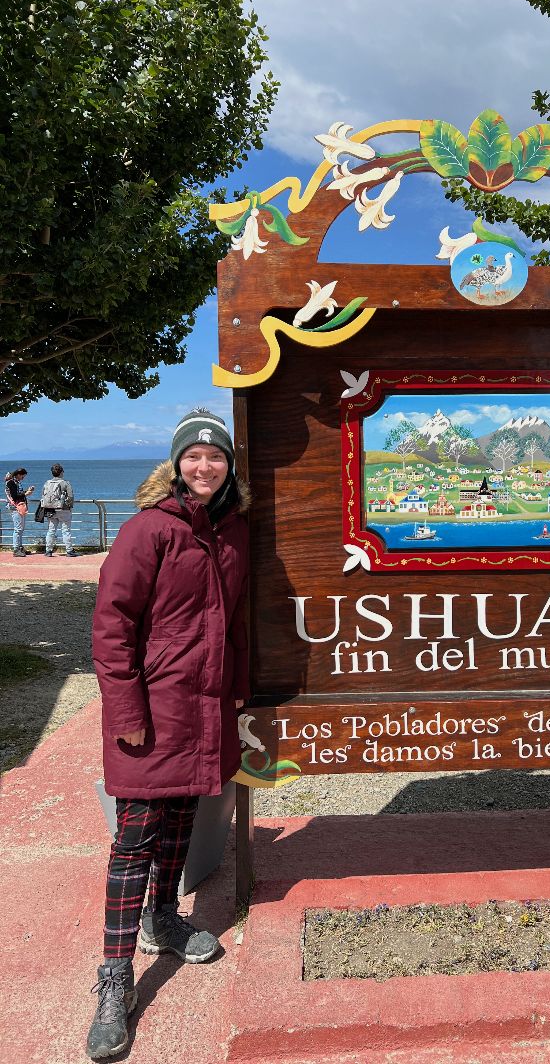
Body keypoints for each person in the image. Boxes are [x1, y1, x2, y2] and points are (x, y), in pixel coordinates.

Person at [86, 409, 250, 1060]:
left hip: (206, 705)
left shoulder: (236, 533)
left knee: (182, 817)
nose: (205, 466)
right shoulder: (147, 530)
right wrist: (126, 712)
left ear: (228, 466)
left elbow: (234, 622)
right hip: (152, 709)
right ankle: (115, 976)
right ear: (177, 463)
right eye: (194, 456)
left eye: (216, 457)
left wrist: (237, 684)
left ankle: (165, 918)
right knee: (134, 838)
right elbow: (110, 626)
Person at [40, 463, 78, 557]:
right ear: (61, 472)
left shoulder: (47, 483)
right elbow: (70, 497)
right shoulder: (65, 483)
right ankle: (69, 550)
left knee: (51, 530)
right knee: (66, 530)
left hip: (50, 509)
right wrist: (69, 506)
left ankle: (48, 550)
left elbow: (43, 495)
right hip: (63, 509)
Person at [4, 466, 35, 557]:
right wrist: (26, 493)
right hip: (15, 507)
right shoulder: (10, 482)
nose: (23, 478)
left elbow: (18, 493)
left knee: (21, 529)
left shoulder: (16, 482)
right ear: (18, 475)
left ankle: (20, 547)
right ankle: (16, 549)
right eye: (22, 476)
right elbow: (14, 496)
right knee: (18, 529)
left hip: (19, 507)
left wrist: (27, 491)